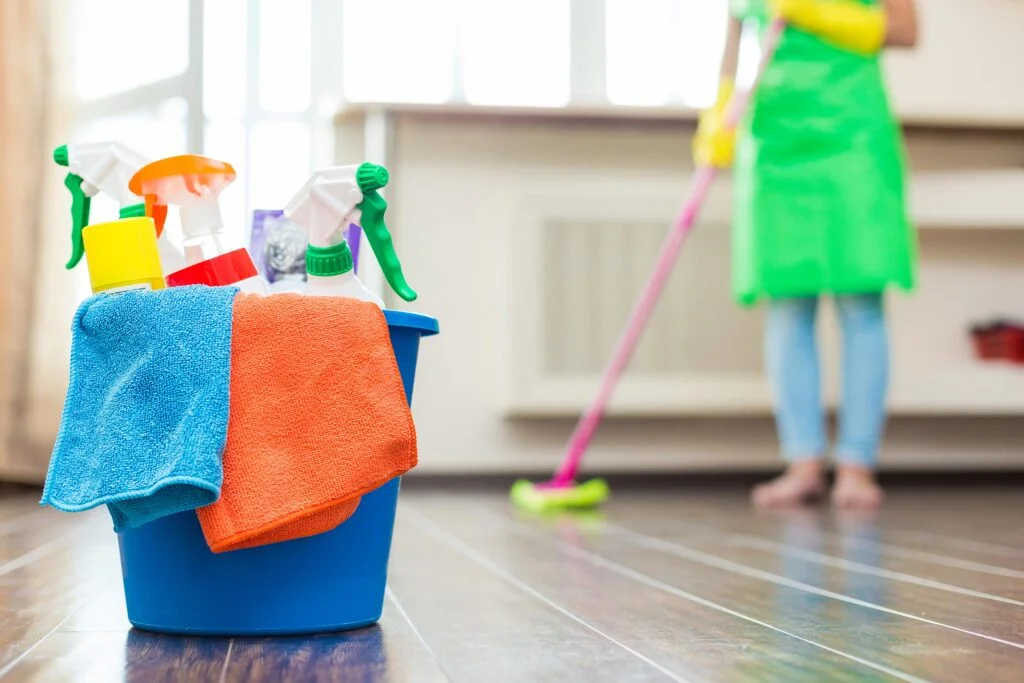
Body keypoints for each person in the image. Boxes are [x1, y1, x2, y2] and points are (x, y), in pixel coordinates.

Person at [694, 0, 920, 509]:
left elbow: (905, 30)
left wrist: (817, 10)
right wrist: (719, 110)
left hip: (853, 133)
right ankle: (804, 463)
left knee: (860, 299)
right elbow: (733, 46)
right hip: (776, 138)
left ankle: (857, 465)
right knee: (787, 302)